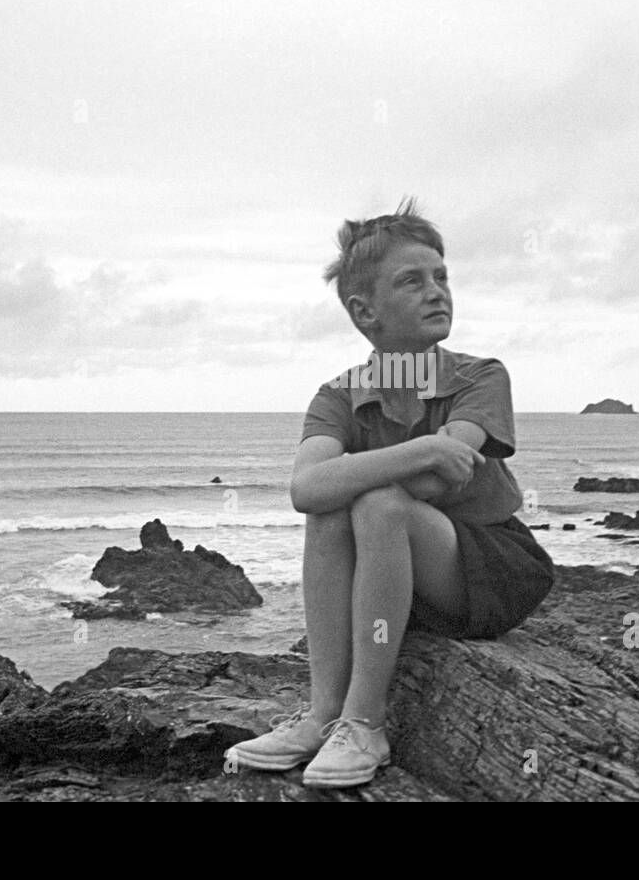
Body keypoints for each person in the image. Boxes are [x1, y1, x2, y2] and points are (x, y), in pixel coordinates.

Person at [224, 196, 555, 788]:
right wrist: (422, 447)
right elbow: (306, 488)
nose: (437, 291)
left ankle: (365, 723)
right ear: (364, 311)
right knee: (330, 513)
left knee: (376, 503)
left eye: (441, 277)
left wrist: (404, 463)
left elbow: (441, 477)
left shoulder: (479, 376)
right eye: (412, 281)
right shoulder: (339, 396)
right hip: (396, 577)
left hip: (492, 569)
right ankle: (324, 716)